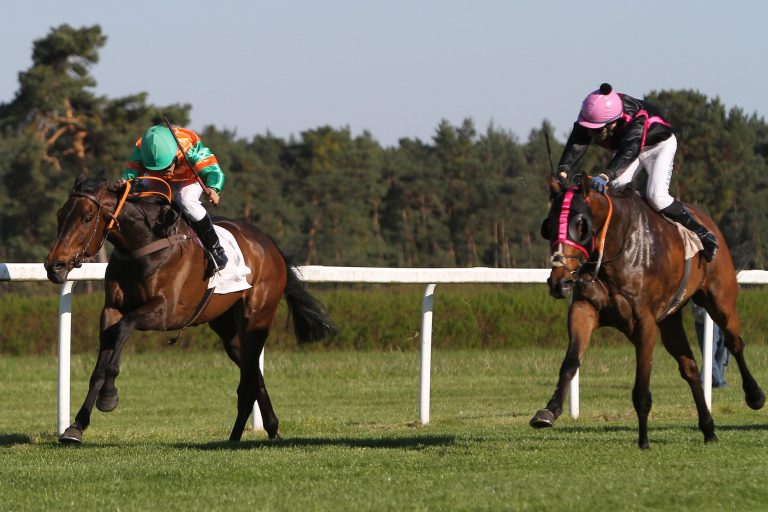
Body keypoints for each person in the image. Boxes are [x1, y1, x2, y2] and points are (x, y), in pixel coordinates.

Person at [556, 83, 718, 262]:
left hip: (658, 146)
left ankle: (703, 234)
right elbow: (578, 141)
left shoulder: (636, 119)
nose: (591, 133)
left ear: (613, 123)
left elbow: (629, 151)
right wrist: (563, 171)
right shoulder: (592, 115)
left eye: (596, 130)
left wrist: (606, 175)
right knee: (614, 189)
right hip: (631, 148)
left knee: (657, 197)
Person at [120, 124, 228, 272]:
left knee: (186, 201)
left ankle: (216, 249)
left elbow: (212, 169)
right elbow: (131, 171)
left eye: (166, 167)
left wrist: (213, 188)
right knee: (141, 197)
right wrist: (125, 182)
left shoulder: (188, 147)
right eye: (159, 168)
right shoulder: (143, 150)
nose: (164, 171)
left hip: (189, 178)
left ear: (175, 156)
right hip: (158, 180)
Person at [692, 303, 729, 387]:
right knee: (708, 353)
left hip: (712, 319)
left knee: (710, 353)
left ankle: (711, 381)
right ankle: (716, 380)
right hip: (698, 320)